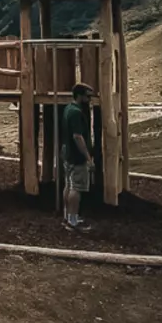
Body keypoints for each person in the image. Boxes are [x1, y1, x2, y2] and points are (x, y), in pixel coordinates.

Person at [61, 83, 95, 231]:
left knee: (68, 185)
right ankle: (73, 221)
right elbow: (77, 136)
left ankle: (68, 216)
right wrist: (88, 157)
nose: (90, 99)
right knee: (76, 188)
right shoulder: (76, 113)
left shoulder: (68, 108)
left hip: (68, 155)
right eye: (88, 96)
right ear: (80, 96)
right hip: (77, 157)